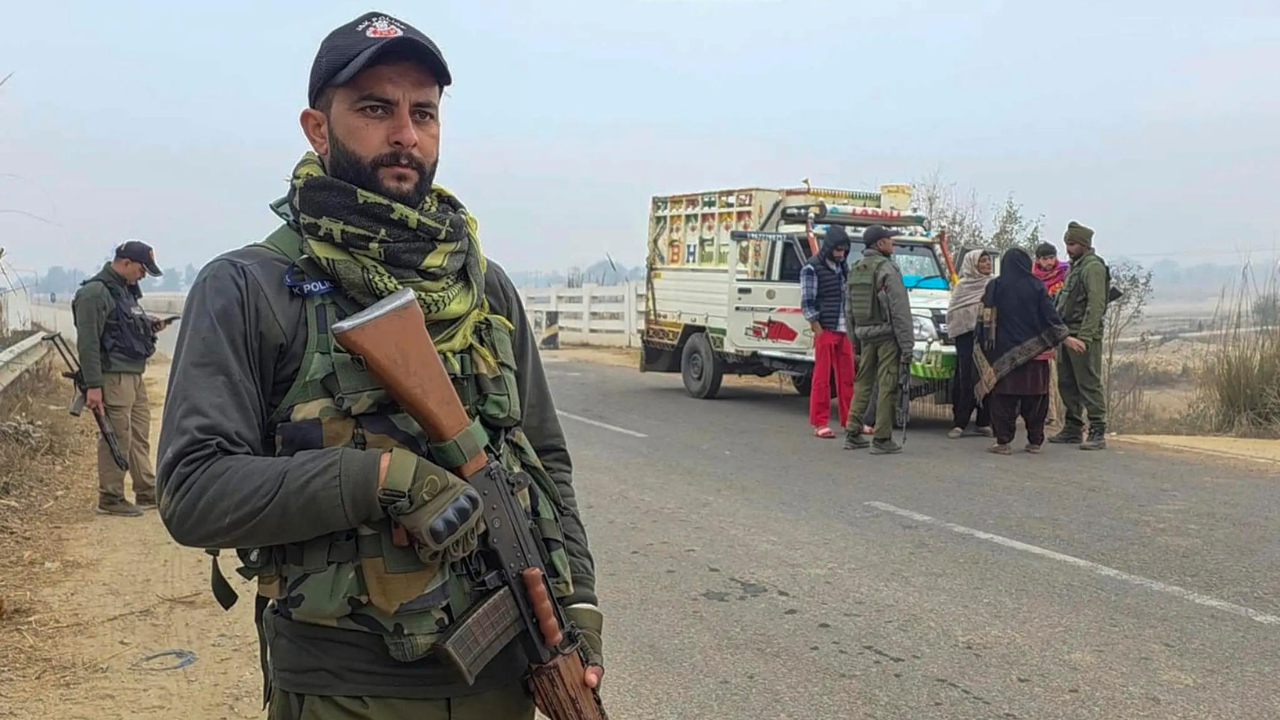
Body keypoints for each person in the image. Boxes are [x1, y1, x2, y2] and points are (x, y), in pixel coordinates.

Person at [155, 13, 602, 719]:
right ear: (317, 128)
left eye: (423, 112)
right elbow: (193, 491)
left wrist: (577, 606)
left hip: (505, 681)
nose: (405, 134)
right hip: (345, 690)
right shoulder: (252, 287)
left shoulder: (482, 287)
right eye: (374, 109)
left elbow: (545, 460)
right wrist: (380, 480)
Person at [72, 240, 166, 517]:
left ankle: (146, 490)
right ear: (126, 263)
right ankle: (111, 497)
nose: (143, 276)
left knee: (138, 435)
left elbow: (123, 328)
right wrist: (94, 386)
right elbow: (88, 342)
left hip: (133, 375)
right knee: (118, 436)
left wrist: (149, 326)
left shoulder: (124, 291)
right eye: (141, 269)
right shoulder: (95, 293)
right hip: (112, 376)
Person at [973, 248, 1074, 454]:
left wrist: (983, 345)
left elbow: (983, 320)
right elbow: (1050, 316)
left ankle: (1003, 443)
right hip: (1035, 356)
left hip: (1002, 357)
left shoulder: (995, 286)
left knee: (1003, 400)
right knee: (1036, 399)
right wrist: (1065, 336)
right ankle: (1035, 442)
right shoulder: (1036, 285)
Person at [843, 225, 914, 455]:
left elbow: (849, 310)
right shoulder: (887, 269)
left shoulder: (856, 268)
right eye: (889, 240)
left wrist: (854, 341)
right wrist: (907, 346)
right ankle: (882, 438)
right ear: (880, 244)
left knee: (862, 384)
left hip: (864, 336)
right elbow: (900, 310)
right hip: (886, 337)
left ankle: (853, 432)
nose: (893, 243)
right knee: (887, 385)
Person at [1050, 221, 1110, 450]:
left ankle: (1097, 430)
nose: (1068, 249)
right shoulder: (1074, 267)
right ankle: (1073, 427)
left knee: (1088, 382)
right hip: (1067, 333)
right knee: (1067, 382)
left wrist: (1085, 337)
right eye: (1067, 243)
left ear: (1084, 244)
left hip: (1083, 335)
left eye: (1073, 244)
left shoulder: (1093, 267)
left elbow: (1096, 304)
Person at [800, 224, 854, 438]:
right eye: (838, 249)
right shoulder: (812, 267)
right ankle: (820, 422)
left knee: (848, 377)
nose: (841, 254)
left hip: (844, 329)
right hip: (825, 328)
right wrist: (817, 328)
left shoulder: (843, 267)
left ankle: (850, 420)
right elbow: (807, 302)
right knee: (822, 378)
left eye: (844, 250)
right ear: (829, 247)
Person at [944, 250, 994, 439]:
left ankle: (983, 421)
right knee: (966, 378)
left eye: (988, 261)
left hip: (988, 337)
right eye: (983, 261)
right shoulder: (962, 287)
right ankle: (960, 422)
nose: (987, 264)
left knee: (987, 377)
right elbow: (954, 313)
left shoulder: (992, 284)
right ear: (972, 265)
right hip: (965, 337)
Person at [1033, 242, 1069, 427]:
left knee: (1067, 375)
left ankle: (1073, 419)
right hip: (1042, 331)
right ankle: (1049, 414)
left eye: (1051, 258)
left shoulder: (1066, 273)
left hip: (1064, 328)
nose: (1048, 262)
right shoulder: (1032, 278)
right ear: (1038, 260)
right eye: (1044, 259)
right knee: (1046, 374)